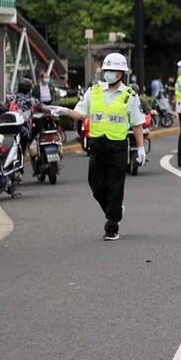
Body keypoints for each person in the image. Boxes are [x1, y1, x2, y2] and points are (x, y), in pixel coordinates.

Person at [62, 53, 146, 241]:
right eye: (106, 70)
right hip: (97, 144)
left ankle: (112, 225)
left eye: (112, 70)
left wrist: (140, 148)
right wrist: (64, 111)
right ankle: (113, 209)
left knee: (115, 186)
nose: (108, 73)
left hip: (117, 145)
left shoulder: (129, 96)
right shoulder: (94, 91)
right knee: (96, 185)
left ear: (121, 74)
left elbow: (137, 124)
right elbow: (80, 113)